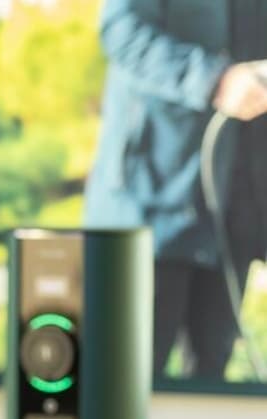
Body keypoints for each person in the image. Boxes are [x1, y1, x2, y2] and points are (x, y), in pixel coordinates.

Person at [84, 0, 267, 380]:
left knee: (210, 381)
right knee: (126, 380)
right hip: (148, 204)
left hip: (233, 213)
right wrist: (214, 80)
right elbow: (122, 31)